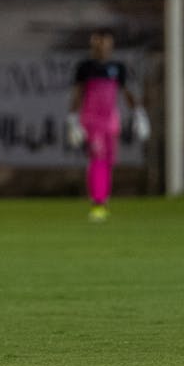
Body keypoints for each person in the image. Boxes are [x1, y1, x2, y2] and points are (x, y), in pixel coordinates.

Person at [66, 28, 149, 222]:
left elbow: (126, 92)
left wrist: (139, 113)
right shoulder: (85, 67)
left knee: (109, 162)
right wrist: (72, 119)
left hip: (110, 121)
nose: (104, 48)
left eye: (107, 44)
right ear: (94, 44)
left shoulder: (117, 68)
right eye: (100, 44)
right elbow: (78, 93)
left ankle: (104, 199)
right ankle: (98, 203)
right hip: (91, 120)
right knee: (98, 158)